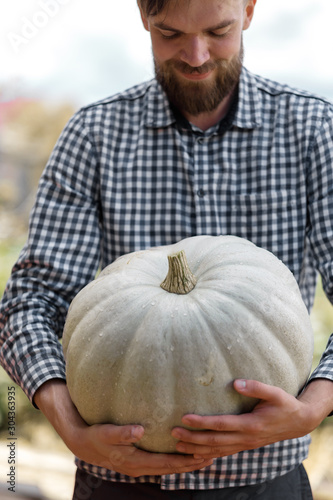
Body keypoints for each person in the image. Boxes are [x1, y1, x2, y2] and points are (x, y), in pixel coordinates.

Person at [1, 0, 333, 498]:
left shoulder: (312, 130)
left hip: (264, 482)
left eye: (217, 31)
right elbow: (28, 301)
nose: (196, 55)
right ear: (142, 15)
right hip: (115, 483)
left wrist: (312, 407)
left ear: (247, 10)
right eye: (170, 33)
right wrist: (70, 426)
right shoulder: (93, 136)